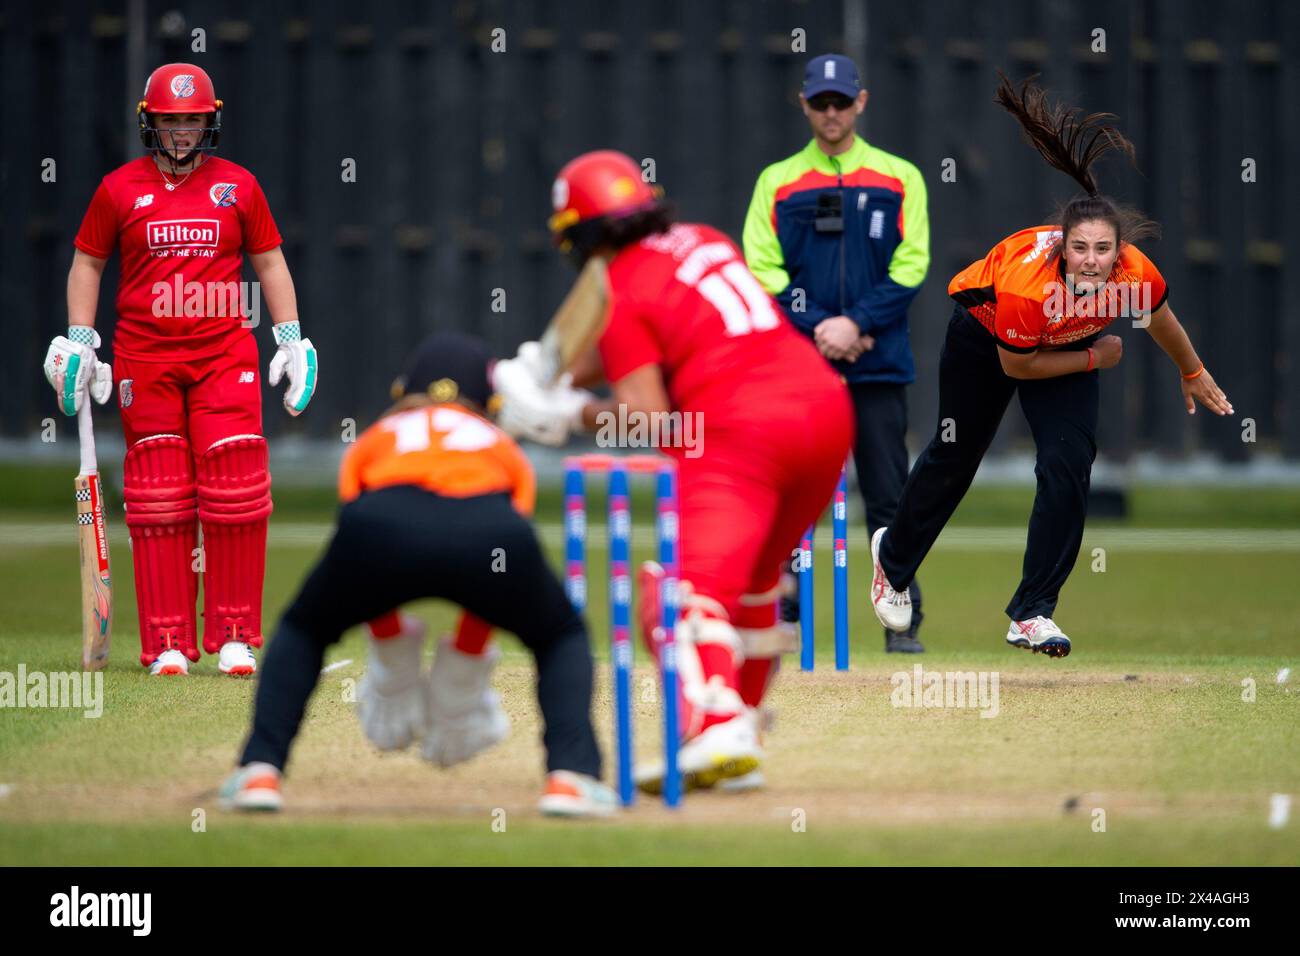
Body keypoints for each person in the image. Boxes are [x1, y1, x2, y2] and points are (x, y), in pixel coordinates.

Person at [492, 150, 855, 793]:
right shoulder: (702, 240)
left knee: (679, 592)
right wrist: (550, 375)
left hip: (740, 432)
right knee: (752, 591)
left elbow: (649, 419)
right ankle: (739, 729)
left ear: (579, 236)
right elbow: (674, 335)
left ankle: (716, 723)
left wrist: (569, 415)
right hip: (824, 413)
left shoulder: (623, 283)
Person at [868, 74, 1233, 656]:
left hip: (1069, 345)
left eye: (1103, 250)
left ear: (1119, 251)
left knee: (1068, 462)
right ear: (1063, 247)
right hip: (989, 339)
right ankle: (893, 560)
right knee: (956, 455)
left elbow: (1161, 318)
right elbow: (1018, 369)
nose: (1092, 262)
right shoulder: (1026, 289)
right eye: (1080, 249)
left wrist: (1190, 369)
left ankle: (1032, 613)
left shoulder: (1133, 273)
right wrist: (1095, 355)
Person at [219, 332, 618, 818]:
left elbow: (355, 537)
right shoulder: (500, 444)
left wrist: (392, 651)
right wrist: (465, 664)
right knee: (559, 635)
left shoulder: (375, 440)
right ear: (489, 403)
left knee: (306, 627)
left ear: (401, 393)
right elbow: (503, 557)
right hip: (489, 531)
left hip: (380, 527)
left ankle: (260, 770)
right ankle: (570, 780)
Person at [43, 63, 317, 677]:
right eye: (172, 120)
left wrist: (291, 338)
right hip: (146, 355)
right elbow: (87, 263)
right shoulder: (119, 189)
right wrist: (81, 339)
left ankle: (234, 635)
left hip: (225, 352)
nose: (183, 131)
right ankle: (167, 638)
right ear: (151, 123)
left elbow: (269, 262)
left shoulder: (239, 187)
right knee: (161, 493)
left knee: (237, 486)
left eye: (193, 119)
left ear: (210, 121)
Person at [743, 53, 929, 654]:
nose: (831, 113)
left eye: (840, 102)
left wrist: (859, 323)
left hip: (877, 359)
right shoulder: (777, 180)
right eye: (820, 103)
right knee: (793, 486)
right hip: (803, 363)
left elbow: (913, 262)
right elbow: (762, 269)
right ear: (804, 105)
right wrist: (824, 326)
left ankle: (900, 619)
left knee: (889, 495)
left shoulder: (900, 175)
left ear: (861, 103)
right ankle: (786, 608)